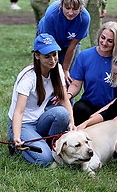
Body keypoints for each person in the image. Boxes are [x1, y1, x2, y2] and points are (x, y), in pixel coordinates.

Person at [7, 33, 75, 166]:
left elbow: (64, 99)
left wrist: (72, 123)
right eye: (47, 56)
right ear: (37, 56)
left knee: (62, 113)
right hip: (23, 124)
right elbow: (18, 112)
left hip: (39, 119)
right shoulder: (28, 78)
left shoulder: (57, 69)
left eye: (54, 54)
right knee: (46, 160)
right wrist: (16, 136)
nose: (53, 60)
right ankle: (16, 146)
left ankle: (49, 144)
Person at [67, 21, 117, 125]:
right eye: (103, 38)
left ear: (116, 43)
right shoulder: (85, 56)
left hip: (113, 107)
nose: (104, 43)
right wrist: (67, 96)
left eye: (110, 41)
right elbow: (75, 84)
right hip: (90, 105)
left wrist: (101, 114)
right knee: (79, 109)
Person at [37, 0, 91, 85]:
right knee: (48, 72)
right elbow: (50, 47)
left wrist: (65, 69)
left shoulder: (84, 18)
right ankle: (45, 99)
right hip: (48, 39)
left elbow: (72, 47)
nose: (70, 13)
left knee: (68, 76)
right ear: (61, 4)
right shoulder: (52, 14)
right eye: (67, 8)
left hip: (70, 43)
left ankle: (68, 99)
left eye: (75, 9)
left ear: (81, 7)